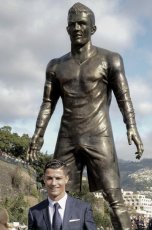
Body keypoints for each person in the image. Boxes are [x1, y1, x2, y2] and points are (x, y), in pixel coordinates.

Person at [27, 2, 144, 229]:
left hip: (99, 135)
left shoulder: (111, 59)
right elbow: (48, 103)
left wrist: (132, 126)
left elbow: (124, 96)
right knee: (55, 195)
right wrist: (38, 135)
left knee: (114, 198)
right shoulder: (55, 66)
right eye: (73, 24)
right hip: (67, 136)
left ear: (93, 28)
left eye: (82, 23)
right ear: (67, 29)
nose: (78, 28)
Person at [28, 159, 97, 230]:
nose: (53, 183)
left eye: (58, 178)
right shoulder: (34, 212)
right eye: (49, 178)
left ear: (66, 179)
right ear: (44, 179)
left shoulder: (83, 209)